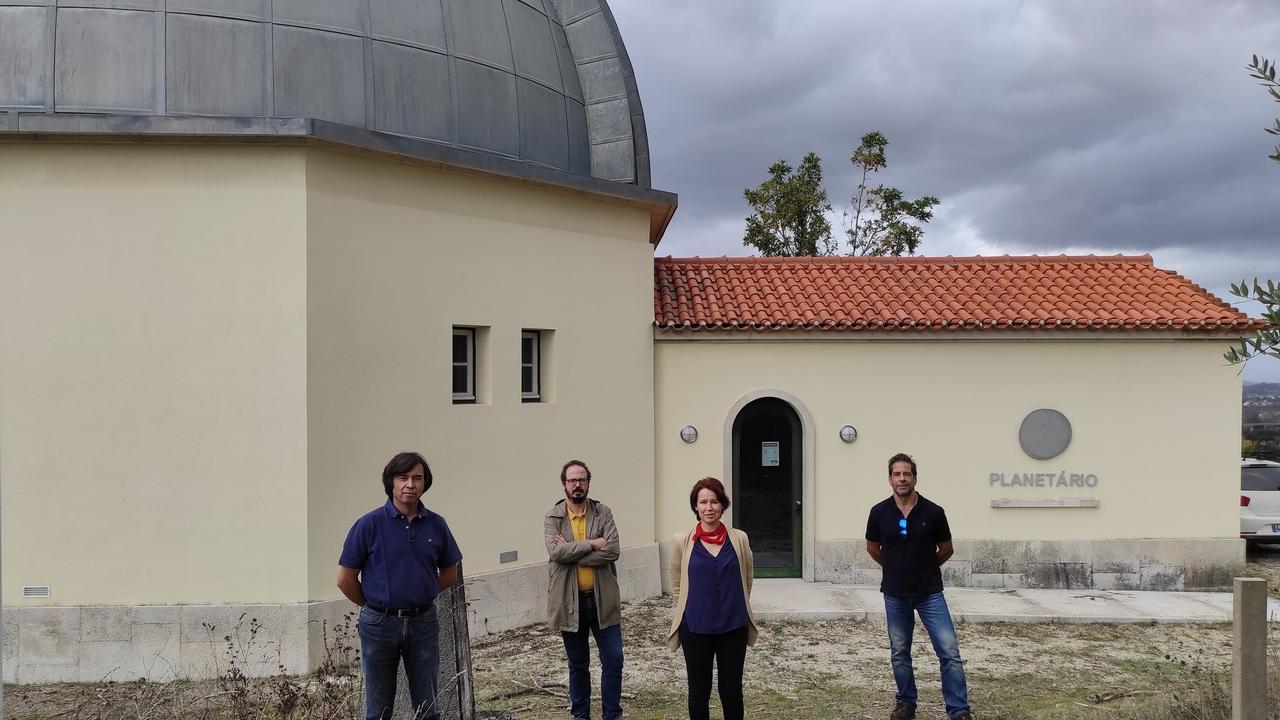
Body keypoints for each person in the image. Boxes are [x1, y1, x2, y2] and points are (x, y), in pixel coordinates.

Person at [337, 451, 463, 720]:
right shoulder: (368, 525)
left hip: (423, 623)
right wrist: (375, 604)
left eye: (417, 478)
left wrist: (423, 592)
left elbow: (450, 573)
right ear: (391, 483)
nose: (410, 484)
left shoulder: (436, 525)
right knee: (379, 708)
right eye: (403, 477)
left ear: (424, 484)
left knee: (428, 706)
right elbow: (345, 580)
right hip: (379, 625)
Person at [865, 453, 972, 720]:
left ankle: (958, 710)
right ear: (889, 478)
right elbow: (872, 547)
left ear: (915, 477)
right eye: (897, 474)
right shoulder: (879, 512)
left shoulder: (934, 512)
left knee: (949, 652)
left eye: (907, 474)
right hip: (895, 593)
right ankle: (906, 703)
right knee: (900, 652)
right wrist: (895, 568)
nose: (902, 479)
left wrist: (925, 567)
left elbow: (946, 549)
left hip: (929, 593)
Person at [668, 476, 756, 720]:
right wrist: (687, 610)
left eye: (714, 502)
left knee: (731, 691)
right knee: (698, 692)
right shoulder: (681, 541)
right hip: (696, 627)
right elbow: (677, 584)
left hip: (733, 626)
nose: (709, 507)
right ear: (695, 507)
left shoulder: (739, 538)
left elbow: (747, 579)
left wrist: (735, 604)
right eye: (703, 502)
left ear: (722, 505)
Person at [544, 459, 623, 720]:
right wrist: (592, 543)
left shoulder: (603, 512)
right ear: (564, 484)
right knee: (578, 665)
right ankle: (581, 715)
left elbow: (612, 550)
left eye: (582, 480)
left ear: (588, 482)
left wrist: (574, 552)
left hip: (603, 601)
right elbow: (555, 552)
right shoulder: (553, 516)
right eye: (572, 480)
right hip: (571, 603)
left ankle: (612, 714)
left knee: (613, 660)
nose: (577, 485)